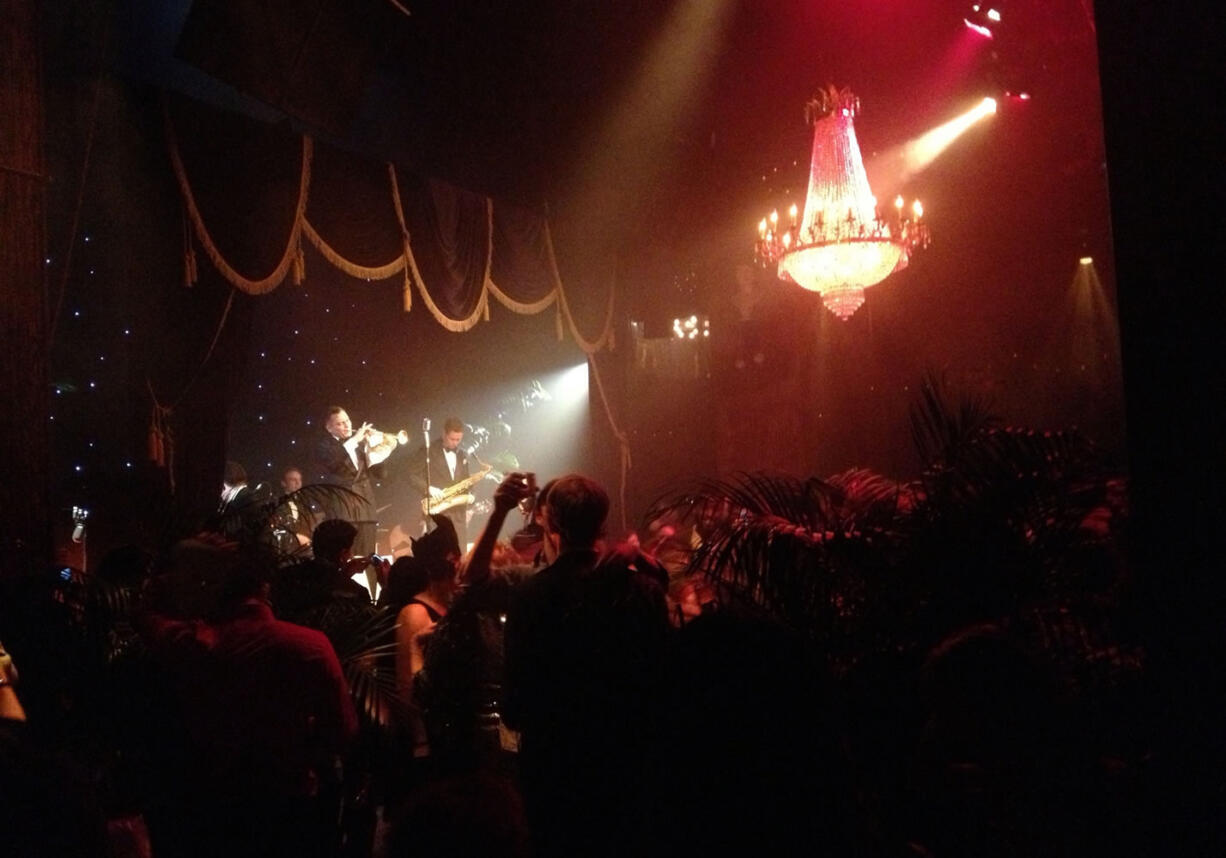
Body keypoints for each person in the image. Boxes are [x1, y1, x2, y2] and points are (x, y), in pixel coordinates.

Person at [138, 540, 358, 858]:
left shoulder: (193, 643)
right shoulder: (309, 645)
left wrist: (183, 565)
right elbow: (344, 731)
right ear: (265, 588)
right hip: (290, 806)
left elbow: (146, 615)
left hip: (211, 809)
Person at [500, 473, 671, 857]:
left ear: (553, 523)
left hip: (554, 775)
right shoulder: (643, 591)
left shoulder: (532, 595)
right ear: (602, 523)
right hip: (627, 770)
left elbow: (515, 706)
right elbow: (664, 683)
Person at [314, 406, 402, 554]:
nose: (347, 425)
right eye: (340, 423)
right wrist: (355, 440)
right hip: (343, 513)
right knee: (345, 558)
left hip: (366, 512)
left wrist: (374, 446)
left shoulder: (360, 445)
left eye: (347, 421)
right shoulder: (324, 446)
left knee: (367, 558)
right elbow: (334, 462)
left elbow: (381, 474)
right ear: (329, 428)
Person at [408, 417, 473, 548]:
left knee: (460, 557)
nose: (455, 443)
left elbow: (467, 480)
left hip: (459, 516)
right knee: (440, 556)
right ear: (444, 434)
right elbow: (411, 475)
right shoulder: (428, 450)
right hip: (438, 513)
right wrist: (429, 489)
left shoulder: (463, 454)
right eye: (452, 439)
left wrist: (471, 498)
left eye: (458, 439)